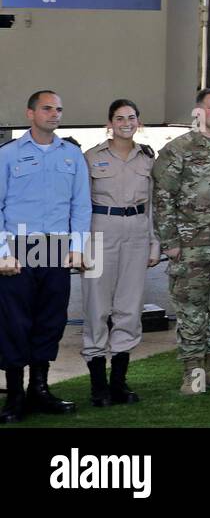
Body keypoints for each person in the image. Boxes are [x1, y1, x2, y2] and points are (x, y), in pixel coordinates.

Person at [0, 91, 89, 423]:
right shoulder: (8, 155)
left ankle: (40, 390)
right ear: (30, 113)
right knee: (14, 323)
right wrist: (2, 253)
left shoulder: (72, 156)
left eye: (59, 109)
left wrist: (78, 248)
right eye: (47, 108)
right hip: (18, 248)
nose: (55, 114)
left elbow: (80, 206)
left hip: (57, 247)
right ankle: (15, 396)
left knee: (50, 320)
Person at [153, 89, 210, 395]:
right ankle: (192, 373)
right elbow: (163, 197)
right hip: (190, 243)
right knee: (191, 309)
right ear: (198, 113)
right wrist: (170, 241)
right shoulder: (178, 149)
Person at [81, 99, 159, 408]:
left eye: (131, 117)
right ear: (109, 123)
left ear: (138, 122)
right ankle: (98, 385)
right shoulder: (90, 158)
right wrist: (79, 246)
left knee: (129, 306)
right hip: (101, 231)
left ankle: (118, 382)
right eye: (119, 117)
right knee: (97, 306)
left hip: (137, 232)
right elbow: (80, 205)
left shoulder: (149, 160)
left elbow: (153, 205)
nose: (125, 122)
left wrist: (154, 242)